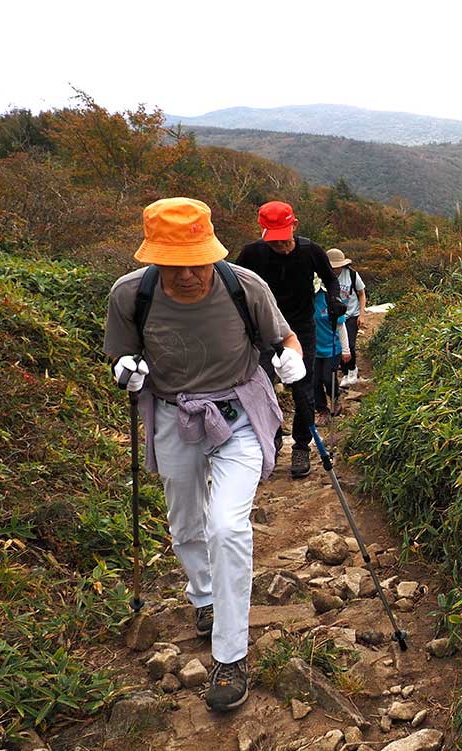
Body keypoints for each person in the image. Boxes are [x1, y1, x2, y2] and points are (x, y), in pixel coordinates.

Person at [104, 197, 305, 713]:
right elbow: (122, 354)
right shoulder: (131, 295)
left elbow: (283, 336)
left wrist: (292, 360)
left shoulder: (244, 285)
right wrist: (126, 372)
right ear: (154, 259)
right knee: (186, 519)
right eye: (176, 263)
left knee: (227, 526)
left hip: (238, 408)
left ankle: (231, 654)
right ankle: (204, 596)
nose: (190, 273)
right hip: (173, 412)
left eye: (198, 259)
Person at [234, 201, 338, 478]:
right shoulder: (252, 254)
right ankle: (273, 439)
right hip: (263, 329)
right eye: (273, 239)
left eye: (283, 237)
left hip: (302, 327)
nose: (279, 244)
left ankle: (301, 445)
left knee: (303, 387)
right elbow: (233, 284)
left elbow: (330, 279)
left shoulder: (310, 251)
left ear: (294, 225)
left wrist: (334, 298)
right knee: (263, 387)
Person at [326, 248, 366, 387]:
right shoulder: (323, 277)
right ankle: (344, 372)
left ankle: (352, 370)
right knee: (338, 345)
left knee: (350, 344)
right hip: (333, 316)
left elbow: (361, 294)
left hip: (351, 314)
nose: (335, 269)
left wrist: (362, 314)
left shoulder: (352, 275)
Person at [313, 275, 351, 425]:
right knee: (315, 382)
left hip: (331, 347)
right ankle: (322, 411)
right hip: (313, 349)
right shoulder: (303, 302)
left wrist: (346, 350)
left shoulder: (329, 299)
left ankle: (335, 399)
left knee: (328, 378)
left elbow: (341, 327)